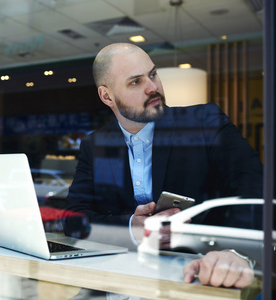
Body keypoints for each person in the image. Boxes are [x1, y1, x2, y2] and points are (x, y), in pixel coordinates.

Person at [64, 43, 262, 293]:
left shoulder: (204, 122)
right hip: (118, 279)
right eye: (135, 82)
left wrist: (236, 252)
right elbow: (74, 218)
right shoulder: (96, 144)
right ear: (107, 96)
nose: (153, 87)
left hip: (197, 277)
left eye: (153, 74)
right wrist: (132, 230)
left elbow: (255, 191)